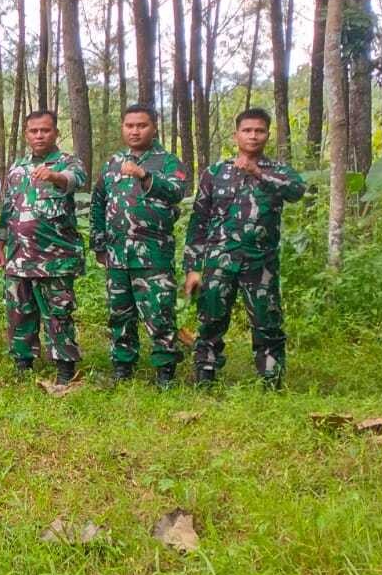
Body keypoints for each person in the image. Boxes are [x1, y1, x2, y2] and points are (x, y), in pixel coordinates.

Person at [182, 107, 306, 389]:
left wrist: (258, 173)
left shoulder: (278, 171)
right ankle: (205, 376)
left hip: (260, 262)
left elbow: (297, 191)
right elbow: (198, 222)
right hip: (219, 261)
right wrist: (192, 268)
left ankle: (271, 380)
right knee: (211, 319)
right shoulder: (215, 172)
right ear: (236, 134)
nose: (253, 136)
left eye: (259, 131)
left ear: (267, 135)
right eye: (247, 130)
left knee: (267, 323)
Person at [90, 104, 189, 387]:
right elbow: (99, 202)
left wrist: (144, 176)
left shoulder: (168, 162)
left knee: (159, 313)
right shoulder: (112, 163)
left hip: (153, 255)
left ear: (154, 127)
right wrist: (99, 244)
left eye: (141, 125)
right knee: (119, 312)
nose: (135, 130)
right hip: (117, 254)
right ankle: (123, 365)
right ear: (123, 127)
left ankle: (165, 369)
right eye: (129, 125)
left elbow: (176, 192)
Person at [0, 110, 89, 383]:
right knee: (19, 312)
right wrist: (0, 246)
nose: (39, 135)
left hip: (55, 258)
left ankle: (64, 367)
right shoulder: (17, 168)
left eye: (45, 130)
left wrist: (54, 176)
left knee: (58, 314)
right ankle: (23, 364)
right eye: (33, 131)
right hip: (19, 257)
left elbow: (75, 180)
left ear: (55, 133)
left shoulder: (67, 162)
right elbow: (8, 210)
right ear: (26, 134)